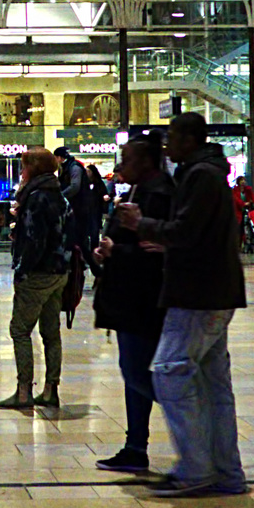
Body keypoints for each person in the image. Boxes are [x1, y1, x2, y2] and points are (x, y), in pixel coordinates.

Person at [115, 112, 247, 497]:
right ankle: (226, 471)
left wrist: (143, 224)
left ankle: (195, 468)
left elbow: (188, 232)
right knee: (212, 384)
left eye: (171, 136)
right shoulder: (202, 173)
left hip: (198, 291)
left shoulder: (200, 176)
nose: (166, 144)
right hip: (212, 290)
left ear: (190, 139)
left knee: (169, 372)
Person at [92, 136, 170, 473]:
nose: (122, 164)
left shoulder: (160, 194)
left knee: (137, 371)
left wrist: (117, 251)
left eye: (128, 158)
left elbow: (153, 251)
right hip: (130, 295)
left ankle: (189, 418)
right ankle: (135, 446)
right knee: (132, 372)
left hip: (144, 298)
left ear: (147, 161)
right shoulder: (139, 190)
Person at [0, 148, 72, 411]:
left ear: (33, 169)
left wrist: (22, 269)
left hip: (38, 273)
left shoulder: (37, 197)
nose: (21, 172)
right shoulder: (58, 195)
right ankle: (51, 389)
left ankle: (24, 390)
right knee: (51, 332)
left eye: (24, 166)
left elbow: (35, 240)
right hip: (59, 271)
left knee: (20, 329)